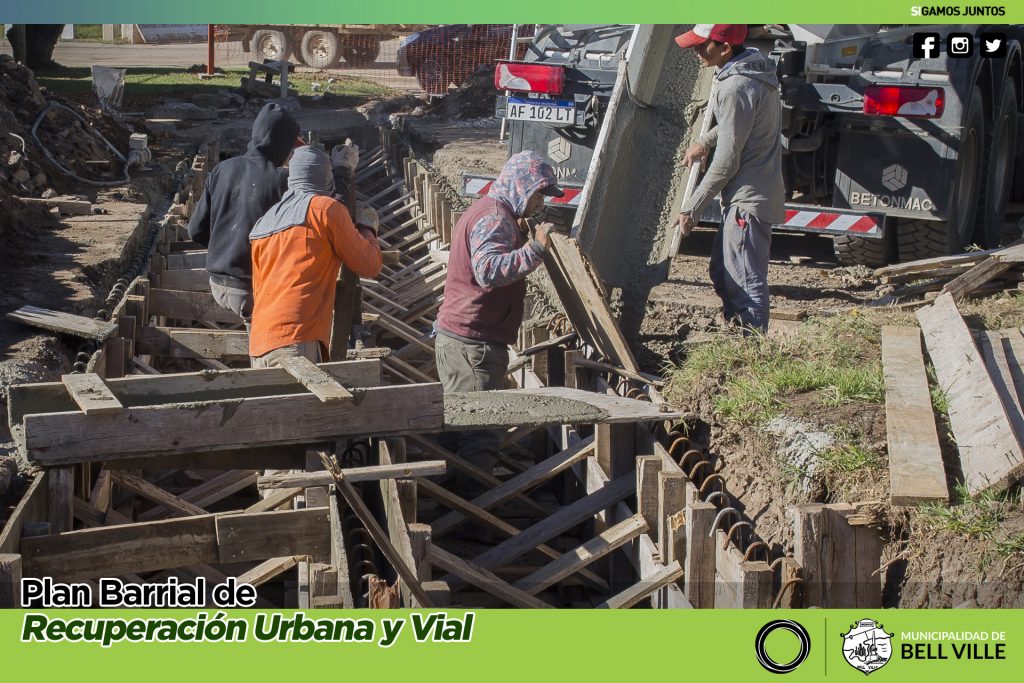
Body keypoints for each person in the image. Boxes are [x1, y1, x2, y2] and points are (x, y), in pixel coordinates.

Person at [435, 150, 562, 477]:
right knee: (480, 435)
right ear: (521, 187)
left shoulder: (489, 212)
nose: (539, 204)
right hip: (471, 346)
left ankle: (453, 507)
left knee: (461, 430)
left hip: (464, 340)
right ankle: (470, 521)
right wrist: (535, 250)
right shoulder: (494, 218)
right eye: (537, 194)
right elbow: (488, 270)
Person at [672, 24, 785, 333]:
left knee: (746, 284)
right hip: (748, 195)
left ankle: (752, 355)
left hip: (748, 200)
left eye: (701, 45)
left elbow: (726, 162)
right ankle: (736, 336)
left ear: (724, 48)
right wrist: (704, 142)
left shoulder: (736, 86)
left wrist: (691, 207)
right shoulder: (753, 70)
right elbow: (735, 122)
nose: (695, 52)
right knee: (723, 273)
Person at [248, 145, 382, 368]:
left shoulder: (265, 221)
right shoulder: (325, 209)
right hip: (296, 337)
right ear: (326, 177)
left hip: (259, 342)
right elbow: (370, 264)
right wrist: (369, 228)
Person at [187, 102, 302, 331]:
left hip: (217, 282)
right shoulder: (284, 181)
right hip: (252, 290)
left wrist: (226, 244)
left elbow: (196, 232)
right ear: (285, 144)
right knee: (267, 347)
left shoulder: (222, 169)